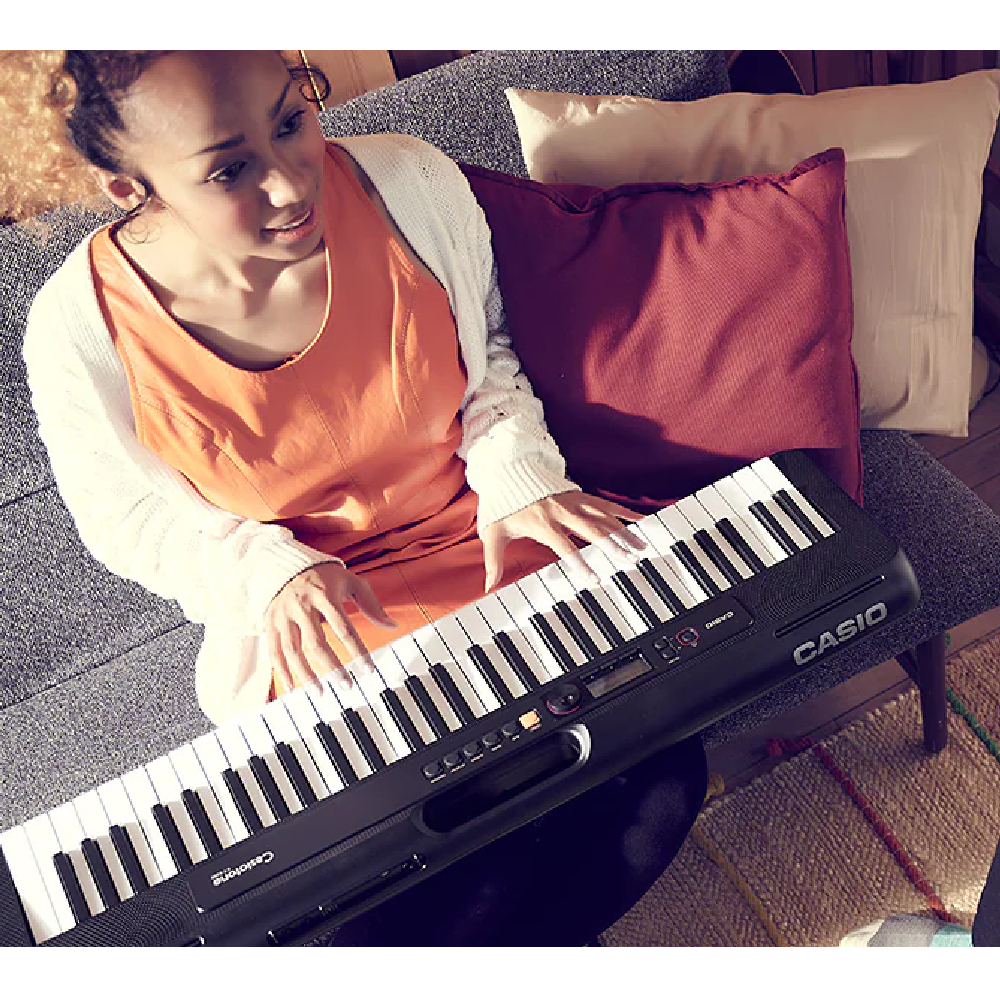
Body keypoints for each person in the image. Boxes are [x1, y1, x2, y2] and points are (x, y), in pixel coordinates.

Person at [7, 50, 708, 945]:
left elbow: (488, 354)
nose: (290, 183)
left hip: (486, 554)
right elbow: (126, 520)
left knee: (655, 787)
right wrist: (270, 575)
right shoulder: (78, 329)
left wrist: (521, 478)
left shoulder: (411, 184)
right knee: (423, 882)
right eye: (229, 169)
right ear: (127, 185)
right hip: (325, 628)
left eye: (290, 120)